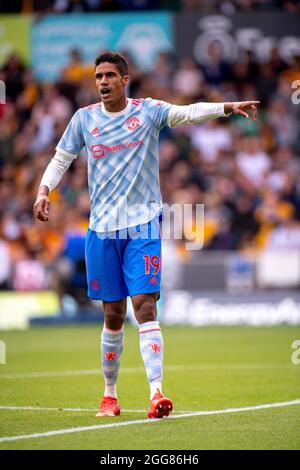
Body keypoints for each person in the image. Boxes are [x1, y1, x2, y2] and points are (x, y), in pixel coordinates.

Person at [33, 51, 259, 418]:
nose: (102, 82)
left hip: (142, 227)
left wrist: (227, 107)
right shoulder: (83, 119)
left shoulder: (148, 111)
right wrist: (44, 191)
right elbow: (61, 158)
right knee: (113, 315)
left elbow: (187, 112)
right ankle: (109, 396)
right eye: (98, 76)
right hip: (101, 231)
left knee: (146, 306)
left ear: (125, 79)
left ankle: (157, 393)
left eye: (109, 75)